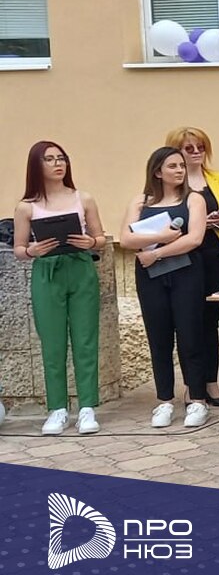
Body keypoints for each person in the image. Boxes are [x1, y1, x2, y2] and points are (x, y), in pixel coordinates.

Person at [12, 141, 106, 435]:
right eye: (50, 159)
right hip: (47, 271)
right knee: (52, 343)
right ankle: (57, 409)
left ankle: (87, 407)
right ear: (36, 166)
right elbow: (18, 248)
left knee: (85, 338)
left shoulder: (83, 198)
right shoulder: (26, 206)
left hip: (80, 267)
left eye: (61, 158)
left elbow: (101, 238)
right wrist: (32, 250)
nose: (58, 164)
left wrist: (91, 242)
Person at [120, 147, 209, 428]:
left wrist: (157, 252)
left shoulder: (194, 199)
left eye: (181, 165)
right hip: (150, 277)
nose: (180, 170)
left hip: (186, 273)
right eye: (172, 166)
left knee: (190, 335)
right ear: (157, 172)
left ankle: (197, 399)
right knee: (158, 337)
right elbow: (126, 239)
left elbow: (194, 238)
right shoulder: (140, 202)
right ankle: (164, 400)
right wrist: (160, 236)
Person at [163, 127, 219, 411]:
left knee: (213, 321)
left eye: (201, 147)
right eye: (189, 148)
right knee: (189, 323)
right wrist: (195, 224)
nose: (196, 153)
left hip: (215, 254)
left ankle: (211, 382)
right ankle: (192, 385)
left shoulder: (216, 179)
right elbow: (165, 218)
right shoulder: (172, 181)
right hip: (185, 256)